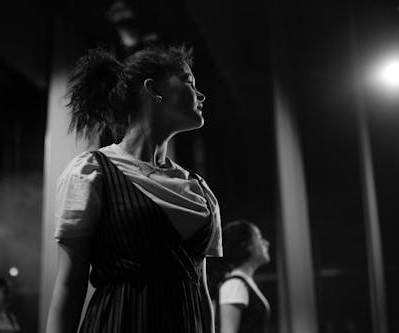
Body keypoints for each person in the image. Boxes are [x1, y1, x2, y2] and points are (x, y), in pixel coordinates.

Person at [46, 45, 222, 333]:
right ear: (154, 90)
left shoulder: (199, 190)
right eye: (190, 83)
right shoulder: (91, 172)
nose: (201, 95)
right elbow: (69, 283)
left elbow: (200, 289)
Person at [218, 220, 270, 333]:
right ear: (246, 245)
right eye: (259, 238)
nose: (266, 243)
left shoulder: (243, 283)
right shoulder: (235, 285)